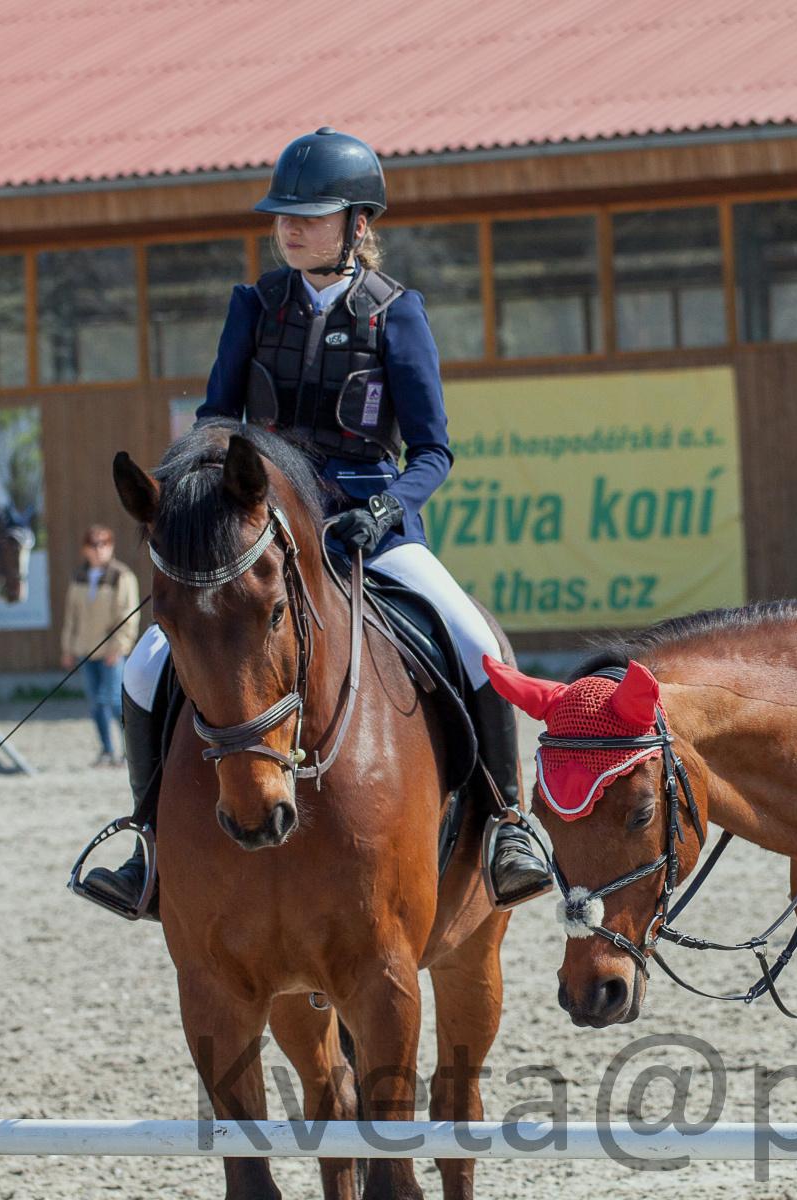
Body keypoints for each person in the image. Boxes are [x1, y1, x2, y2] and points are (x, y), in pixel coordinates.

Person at [76, 127, 552, 919]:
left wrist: (386, 510)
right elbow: (215, 420)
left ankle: (507, 824)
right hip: (261, 526)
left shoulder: (396, 315)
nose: (289, 228)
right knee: (143, 665)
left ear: (356, 224)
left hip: (366, 527)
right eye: (283, 216)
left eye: (310, 215)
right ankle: (148, 844)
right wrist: (196, 494)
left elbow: (433, 452)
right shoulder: (255, 307)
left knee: (475, 640)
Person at [59, 525, 139, 766]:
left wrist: (119, 647)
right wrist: (68, 648)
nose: (99, 549)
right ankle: (107, 750)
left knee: (113, 701)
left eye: (104, 544)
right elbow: (71, 617)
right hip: (86, 650)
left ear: (111, 547)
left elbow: (128, 616)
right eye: (94, 545)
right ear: (85, 549)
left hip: (110, 652)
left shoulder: (121, 576)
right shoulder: (79, 577)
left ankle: (130, 751)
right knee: (95, 704)